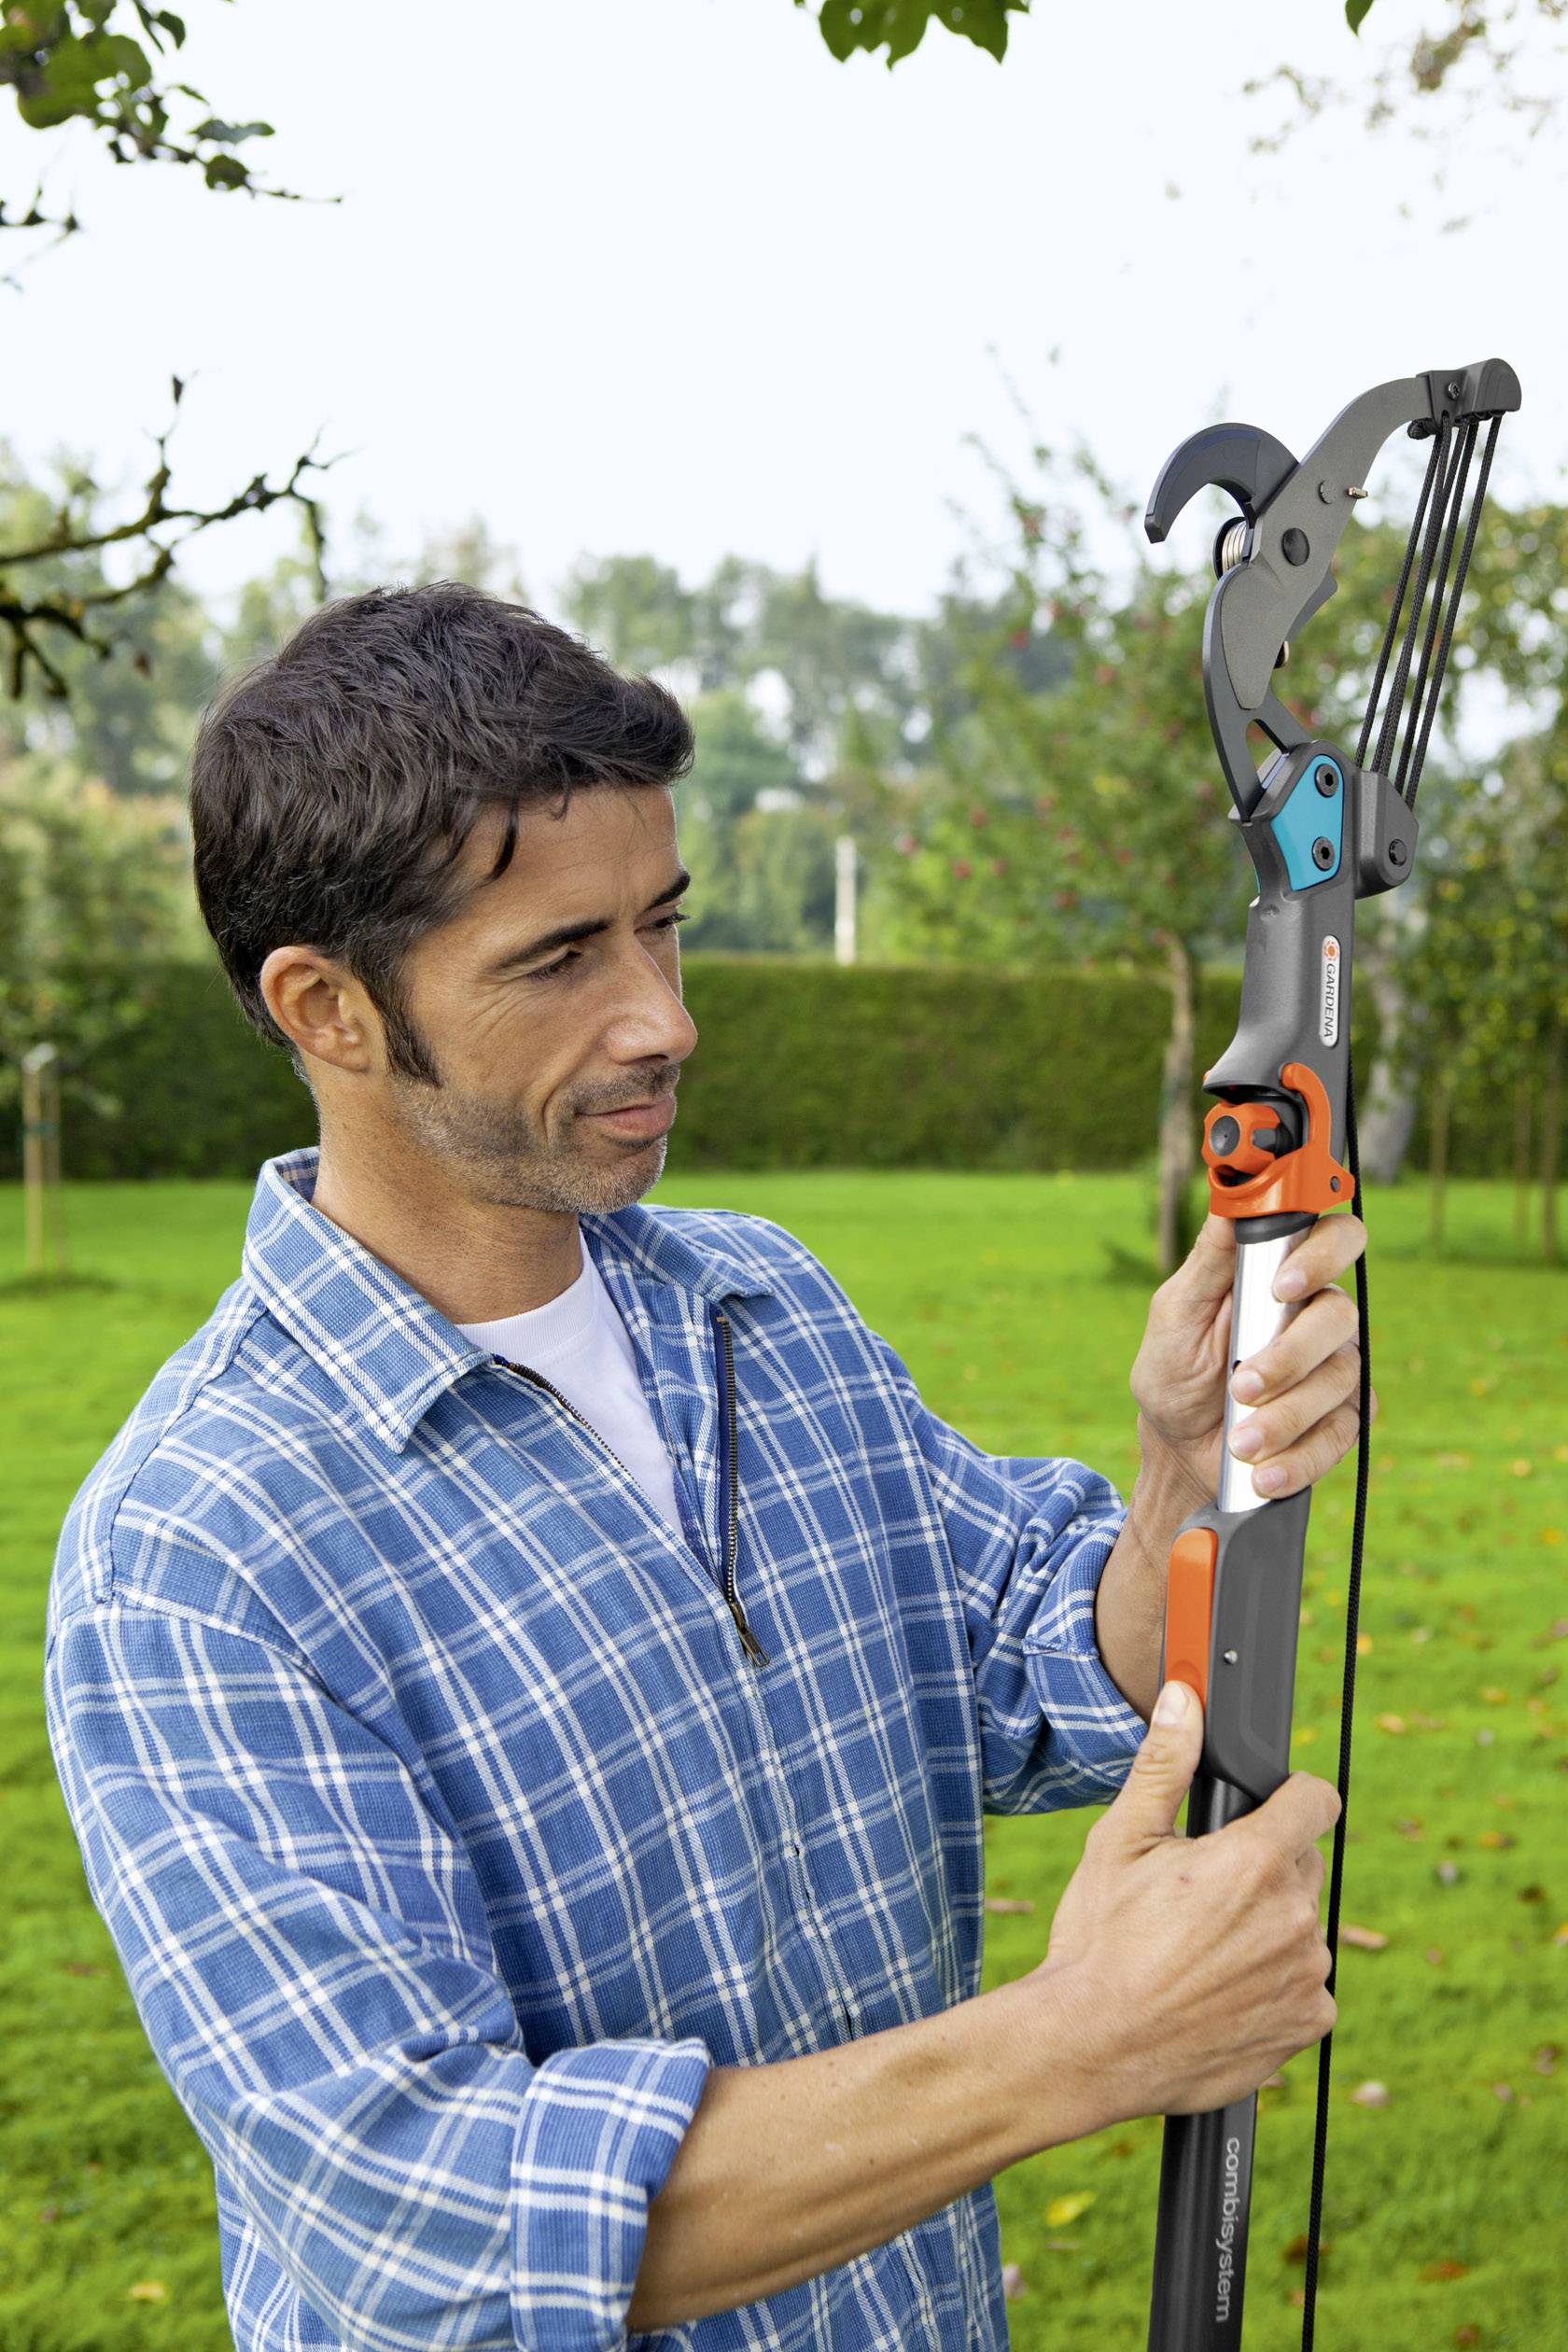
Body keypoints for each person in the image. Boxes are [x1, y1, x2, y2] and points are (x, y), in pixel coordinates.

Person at [44, 583, 1364, 2352]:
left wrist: (1178, 1477)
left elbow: (1029, 1668)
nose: (661, 1017)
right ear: (328, 1009)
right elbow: (415, 2211)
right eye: (561, 959)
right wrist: (1075, 2042)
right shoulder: (200, 1549)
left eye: (660, 927)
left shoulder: (759, 1304)